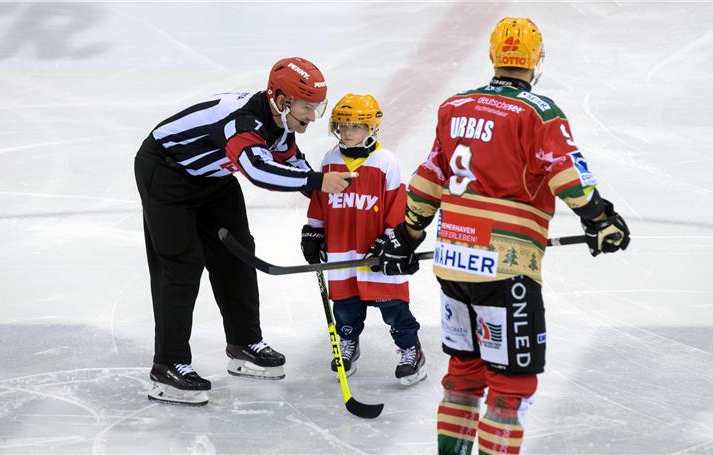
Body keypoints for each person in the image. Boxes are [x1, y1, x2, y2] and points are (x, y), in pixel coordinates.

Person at [373, 18, 631, 454]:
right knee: (512, 385)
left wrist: (406, 234)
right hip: (505, 269)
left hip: (453, 262)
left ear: (494, 56)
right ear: (536, 61)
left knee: (465, 374)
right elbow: (567, 175)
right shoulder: (538, 112)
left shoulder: (454, 107)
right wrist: (600, 219)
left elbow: (429, 177)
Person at [134, 57, 355, 406]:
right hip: (167, 173)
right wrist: (317, 182)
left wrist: (330, 211)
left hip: (214, 179)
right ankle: (168, 365)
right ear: (281, 100)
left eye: (317, 107)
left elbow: (293, 164)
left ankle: (243, 343)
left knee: (237, 252)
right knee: (181, 265)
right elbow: (258, 171)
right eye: (306, 107)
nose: (313, 117)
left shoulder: (282, 124)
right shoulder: (244, 122)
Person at [300, 94, 427, 386]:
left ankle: (411, 349)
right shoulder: (331, 159)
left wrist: (391, 240)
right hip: (342, 248)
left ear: (372, 128)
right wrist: (314, 230)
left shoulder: (386, 161)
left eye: (355, 126)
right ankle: (348, 344)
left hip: (377, 252)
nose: (347, 132)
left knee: (393, 306)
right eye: (342, 126)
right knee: (345, 306)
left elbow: (397, 204)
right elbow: (321, 199)